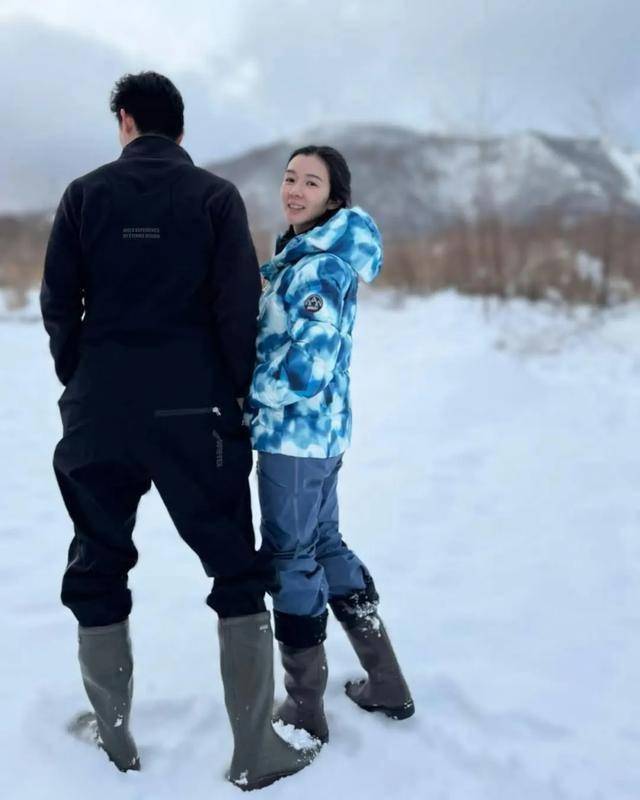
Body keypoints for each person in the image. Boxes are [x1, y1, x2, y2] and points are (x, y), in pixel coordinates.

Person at [40, 71, 314, 789]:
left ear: (125, 122)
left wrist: (85, 381)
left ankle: (115, 738)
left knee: (98, 562)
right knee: (234, 569)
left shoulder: (84, 195)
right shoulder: (215, 197)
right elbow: (236, 308)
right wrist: (233, 392)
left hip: (101, 410)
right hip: (196, 412)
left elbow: (59, 304)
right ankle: (254, 750)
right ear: (181, 129)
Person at [245, 145, 415, 744]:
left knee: (292, 560)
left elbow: (307, 370)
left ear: (333, 198)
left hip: (294, 439)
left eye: (311, 183)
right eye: (290, 178)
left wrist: (247, 394)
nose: (294, 190)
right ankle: (387, 682)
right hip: (320, 436)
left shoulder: (319, 267)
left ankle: (303, 707)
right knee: (324, 546)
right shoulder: (306, 255)